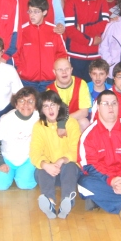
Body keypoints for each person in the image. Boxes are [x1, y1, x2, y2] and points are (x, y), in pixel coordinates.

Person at [30, 90, 82, 218]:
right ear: (41, 110)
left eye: (53, 104)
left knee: (70, 166)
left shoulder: (71, 123)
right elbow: (34, 152)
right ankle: (50, 203)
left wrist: (62, 160)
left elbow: (77, 149)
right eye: (46, 106)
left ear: (59, 106)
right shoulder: (39, 126)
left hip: (68, 171)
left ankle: (67, 200)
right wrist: (45, 164)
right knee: (41, 168)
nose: (50, 109)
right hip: (49, 172)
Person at [0, 88, 40, 191]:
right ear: (16, 104)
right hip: (7, 158)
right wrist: (0, 162)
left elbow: (60, 111)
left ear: (35, 105)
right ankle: (8, 173)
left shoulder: (39, 116)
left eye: (30, 101)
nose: (26, 105)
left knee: (25, 185)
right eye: (21, 101)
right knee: (1, 185)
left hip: (28, 159)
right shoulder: (6, 119)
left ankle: (22, 174)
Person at [15, 0, 69, 91]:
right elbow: (15, 55)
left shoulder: (54, 31)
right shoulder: (22, 31)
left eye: (36, 11)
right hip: (26, 81)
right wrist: (21, 71)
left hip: (50, 81)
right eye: (30, 11)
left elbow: (62, 55)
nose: (32, 15)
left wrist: (54, 73)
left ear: (44, 12)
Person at [64, 0, 110, 79]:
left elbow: (105, 25)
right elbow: (70, 30)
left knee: (94, 89)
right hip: (75, 55)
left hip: (96, 55)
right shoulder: (70, 2)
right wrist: (91, 41)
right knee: (77, 90)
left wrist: (83, 28)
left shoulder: (102, 1)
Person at [47, 58, 92, 132]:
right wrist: (61, 123)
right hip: (58, 124)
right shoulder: (49, 90)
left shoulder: (81, 84)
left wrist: (64, 120)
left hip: (74, 121)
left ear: (71, 70)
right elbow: (52, 116)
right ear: (54, 72)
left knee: (84, 122)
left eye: (67, 69)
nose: (64, 72)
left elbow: (84, 112)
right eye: (60, 70)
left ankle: (80, 143)